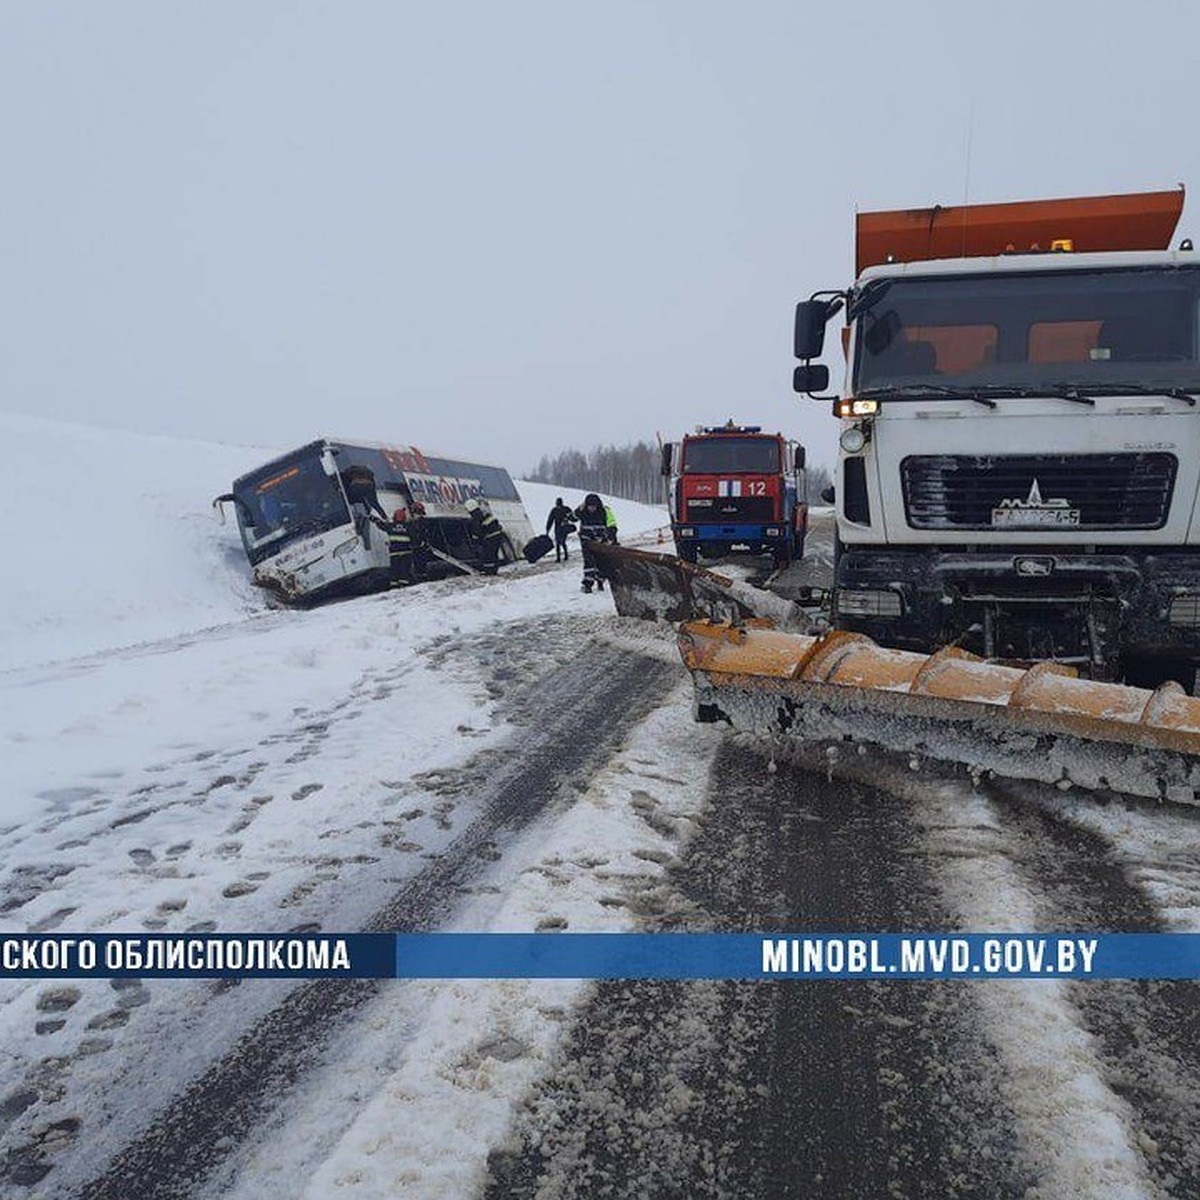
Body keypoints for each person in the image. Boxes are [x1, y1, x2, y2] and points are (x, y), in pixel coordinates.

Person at [574, 493, 610, 593]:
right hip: (586, 541)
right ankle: (588, 585)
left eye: (594, 506)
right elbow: (572, 518)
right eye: (590, 506)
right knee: (589, 562)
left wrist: (606, 537)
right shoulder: (582, 511)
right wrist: (577, 511)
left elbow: (605, 526)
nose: (592, 508)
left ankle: (600, 581)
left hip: (599, 541)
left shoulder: (602, 512)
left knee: (601, 561)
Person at [464, 498, 508, 572]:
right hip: (498, 535)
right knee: (494, 554)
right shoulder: (484, 512)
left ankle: (489, 570)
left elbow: (477, 531)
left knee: (488, 555)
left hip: (490, 538)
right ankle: (494, 569)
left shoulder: (476, 516)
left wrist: (475, 542)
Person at [545, 497, 576, 562]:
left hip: (559, 528)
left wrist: (548, 529)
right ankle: (564, 556)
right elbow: (572, 517)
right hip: (564, 528)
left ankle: (560, 557)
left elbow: (550, 520)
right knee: (561, 542)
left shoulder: (554, 510)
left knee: (559, 543)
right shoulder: (566, 509)